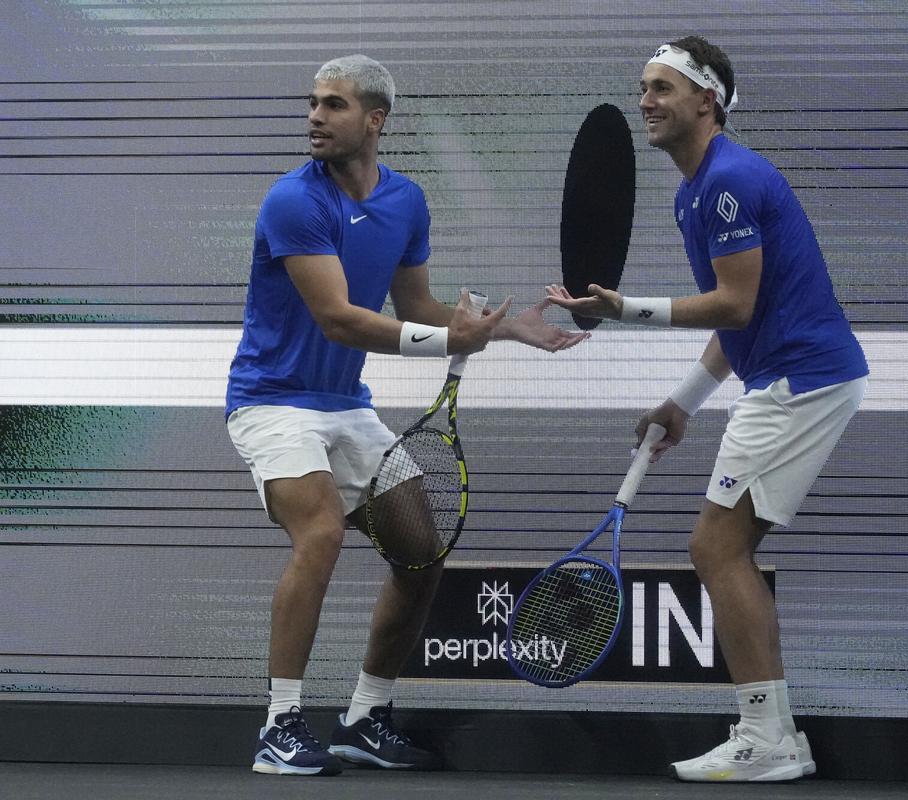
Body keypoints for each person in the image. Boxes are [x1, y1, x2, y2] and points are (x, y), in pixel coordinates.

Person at [226, 54, 588, 777]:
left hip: (345, 408)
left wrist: (503, 328)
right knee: (321, 533)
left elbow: (414, 309)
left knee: (421, 554)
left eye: (333, 105)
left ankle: (366, 716)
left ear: (375, 120)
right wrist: (452, 340)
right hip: (272, 404)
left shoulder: (405, 201)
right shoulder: (293, 201)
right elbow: (339, 320)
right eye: (313, 103)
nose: (315, 117)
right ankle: (280, 725)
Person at [546, 36, 868, 783]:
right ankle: (774, 734)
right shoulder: (694, 190)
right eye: (643, 87)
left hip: (801, 380)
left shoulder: (726, 182)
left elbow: (735, 301)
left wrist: (626, 310)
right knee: (725, 547)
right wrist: (682, 402)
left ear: (706, 101)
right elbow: (739, 323)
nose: (646, 102)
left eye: (661, 88)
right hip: (796, 376)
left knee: (716, 548)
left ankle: (765, 736)